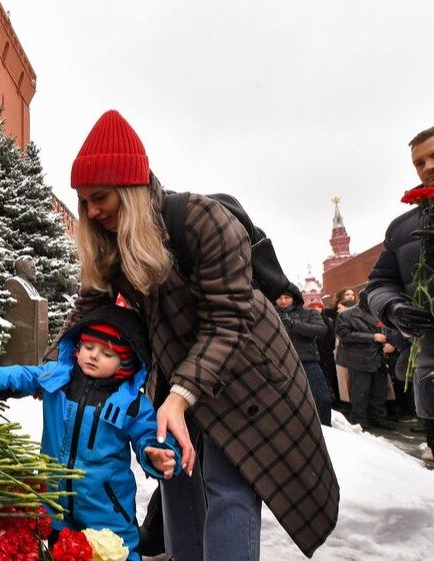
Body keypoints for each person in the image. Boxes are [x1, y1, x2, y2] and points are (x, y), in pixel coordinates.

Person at [57, 109, 338, 560]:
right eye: (84, 201)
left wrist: (181, 395)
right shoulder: (110, 238)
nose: (91, 211)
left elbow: (228, 320)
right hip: (177, 363)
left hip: (246, 367)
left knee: (229, 483)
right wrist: (55, 367)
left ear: (129, 189)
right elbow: (88, 308)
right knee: (176, 475)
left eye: (101, 197)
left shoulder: (202, 219)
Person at [0, 304, 180, 561]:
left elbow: (150, 434)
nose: (93, 356)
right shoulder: (59, 379)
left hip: (107, 513)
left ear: (126, 362)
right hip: (57, 506)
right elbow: (24, 375)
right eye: (88, 347)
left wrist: (158, 453)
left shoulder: (132, 403)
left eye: (107, 353)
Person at [366, 125, 434, 463]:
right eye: (419, 162)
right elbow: (378, 283)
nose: (428, 167)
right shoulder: (402, 227)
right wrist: (393, 308)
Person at [335, 293, 395, 430]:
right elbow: (343, 334)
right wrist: (372, 337)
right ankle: (359, 419)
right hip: (359, 358)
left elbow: (389, 331)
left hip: (379, 356)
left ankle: (378, 417)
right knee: (360, 391)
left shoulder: (381, 312)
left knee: (379, 390)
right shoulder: (347, 315)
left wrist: (391, 343)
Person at [275, 284, 331, 425]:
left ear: (294, 298)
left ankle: (326, 427)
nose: (282, 301)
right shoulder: (271, 313)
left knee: (321, 397)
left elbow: (320, 330)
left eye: (286, 297)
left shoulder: (309, 313)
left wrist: (293, 324)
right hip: (281, 362)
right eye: (279, 298)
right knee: (285, 399)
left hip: (307, 361)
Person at [319, 286, 357, 400]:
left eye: (352, 294)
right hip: (333, 348)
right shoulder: (330, 313)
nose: (350, 296)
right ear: (340, 297)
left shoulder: (359, 311)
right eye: (347, 294)